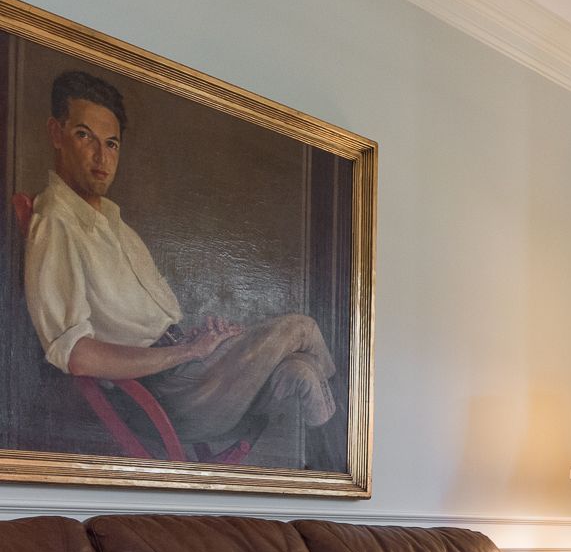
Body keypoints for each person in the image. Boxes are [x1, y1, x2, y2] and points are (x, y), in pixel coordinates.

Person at [23, 69, 337, 457]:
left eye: (112, 143)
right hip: (163, 399)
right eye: (84, 136)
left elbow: (152, 326)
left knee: (301, 373)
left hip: (189, 375)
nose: (101, 157)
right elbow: (76, 355)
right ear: (56, 134)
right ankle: (339, 442)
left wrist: (198, 339)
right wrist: (188, 353)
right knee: (301, 327)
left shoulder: (115, 226)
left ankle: (334, 470)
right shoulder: (56, 223)